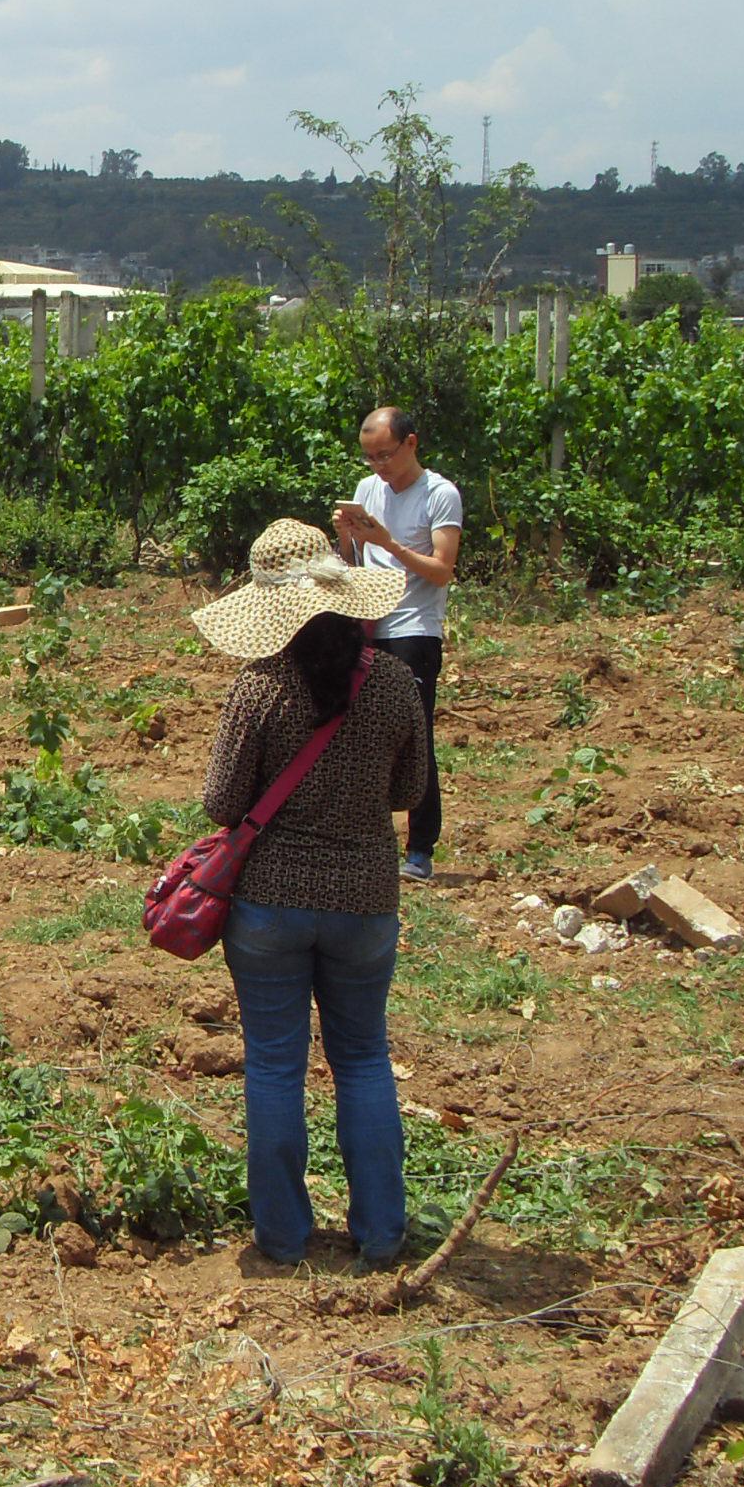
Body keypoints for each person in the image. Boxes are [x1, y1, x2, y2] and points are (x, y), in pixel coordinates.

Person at [195, 519, 429, 1269]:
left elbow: (222, 801)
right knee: (362, 1059)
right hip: (366, 900)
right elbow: (409, 791)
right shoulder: (394, 683)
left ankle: (284, 1239)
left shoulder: (259, 687)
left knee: (273, 1064)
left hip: (269, 906)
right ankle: (383, 1233)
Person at [332, 407, 462, 883]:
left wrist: (387, 543)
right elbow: (355, 562)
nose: (377, 467)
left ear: (411, 443)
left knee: (413, 734)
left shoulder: (440, 494)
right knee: (363, 735)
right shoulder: (368, 490)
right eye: (369, 458)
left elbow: (442, 569)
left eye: (384, 455)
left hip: (414, 627)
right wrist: (348, 539)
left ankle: (421, 848)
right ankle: (367, 839)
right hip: (370, 623)